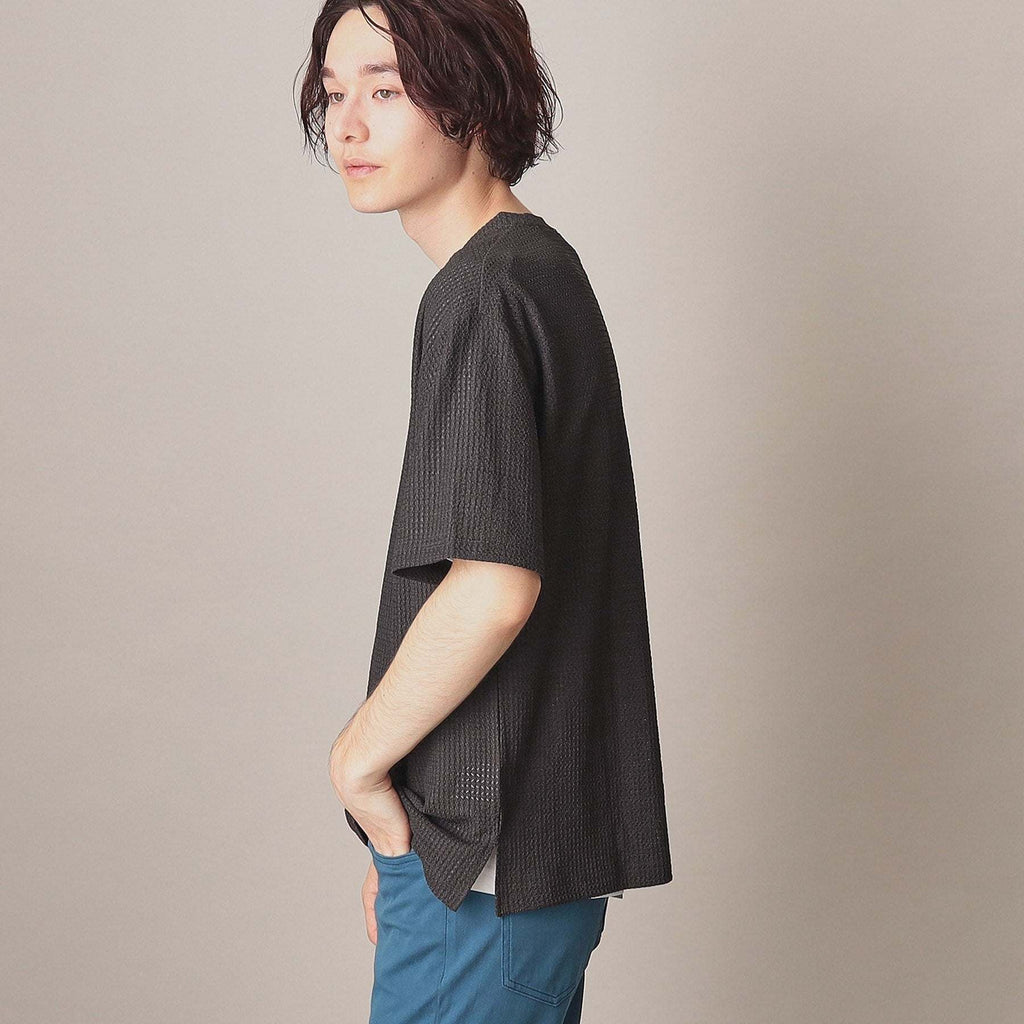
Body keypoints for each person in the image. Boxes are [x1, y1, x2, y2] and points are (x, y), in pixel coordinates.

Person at [297, 2, 673, 1020]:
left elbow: (495, 586)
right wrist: (411, 842)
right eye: (334, 93)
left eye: (386, 88)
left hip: (489, 869)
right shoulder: (537, 268)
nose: (347, 124)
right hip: (499, 857)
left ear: (471, 93)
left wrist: (356, 764)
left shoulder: (484, 292)